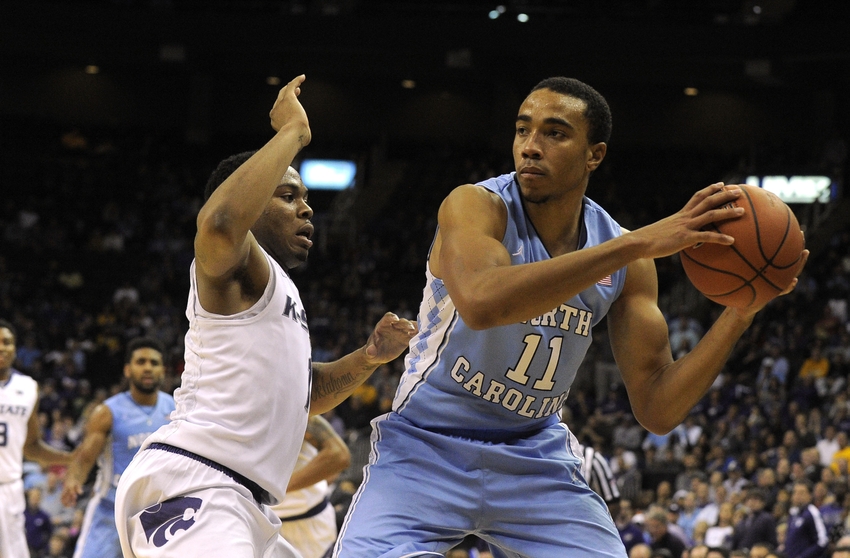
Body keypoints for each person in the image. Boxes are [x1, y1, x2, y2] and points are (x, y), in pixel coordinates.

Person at [332, 76, 807, 557]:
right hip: (425, 448)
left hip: (534, 457)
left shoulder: (628, 261)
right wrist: (634, 243)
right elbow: (481, 304)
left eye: (554, 133)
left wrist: (738, 315)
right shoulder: (476, 206)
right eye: (523, 130)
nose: (530, 147)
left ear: (594, 155)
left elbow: (658, 409)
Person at [113, 75, 416, 558]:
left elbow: (305, 394)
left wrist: (369, 358)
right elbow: (219, 221)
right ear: (251, 202)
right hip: (198, 482)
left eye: (305, 197)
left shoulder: (279, 293)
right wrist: (291, 132)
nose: (307, 208)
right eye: (288, 195)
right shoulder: (231, 263)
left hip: (248, 504)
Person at [61, 337, 176, 558]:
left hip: (161, 511)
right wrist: (74, 479)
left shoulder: (176, 409)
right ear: (127, 369)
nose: (147, 368)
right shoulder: (107, 412)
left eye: (154, 363)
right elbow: (85, 457)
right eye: (140, 361)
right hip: (111, 508)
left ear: (163, 369)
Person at [0, 319, 73, 558]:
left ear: (15, 347)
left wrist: (71, 458)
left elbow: (31, 447)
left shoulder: (28, 387)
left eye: (7, 342)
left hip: (9, 487)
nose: (2, 347)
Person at [271, 415, 350, 558]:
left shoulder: (294, 405)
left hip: (307, 523)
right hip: (262, 518)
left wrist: (278, 486)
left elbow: (339, 456)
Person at [783, 480, 829, 558]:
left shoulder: (812, 513)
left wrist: (803, 556)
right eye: (795, 492)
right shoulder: (793, 513)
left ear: (810, 495)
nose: (797, 496)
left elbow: (822, 541)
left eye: (801, 493)